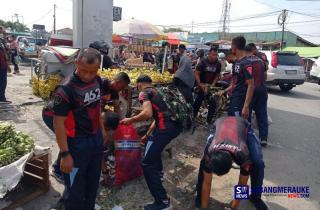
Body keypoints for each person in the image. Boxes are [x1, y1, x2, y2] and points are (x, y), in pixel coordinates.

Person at [50, 71, 130, 182]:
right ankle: (57, 169)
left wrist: (118, 122)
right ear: (118, 82)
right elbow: (97, 111)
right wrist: (102, 129)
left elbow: (116, 107)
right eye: (123, 86)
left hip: (76, 115)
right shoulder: (100, 85)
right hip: (55, 115)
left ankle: (71, 166)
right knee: (68, 140)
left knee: (74, 139)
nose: (122, 90)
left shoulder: (114, 91)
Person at [52, 48, 105, 210]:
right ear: (76, 64)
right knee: (75, 190)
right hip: (77, 144)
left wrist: (101, 129)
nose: (88, 75)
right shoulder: (65, 90)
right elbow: (58, 123)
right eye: (83, 71)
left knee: (93, 183)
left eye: (92, 71)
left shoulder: (98, 81)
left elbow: (97, 107)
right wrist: (65, 153)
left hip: (95, 139)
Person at [218, 36, 267, 210]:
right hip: (235, 113)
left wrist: (246, 106)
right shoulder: (238, 63)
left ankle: (252, 196)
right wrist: (223, 91)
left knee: (254, 161)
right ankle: (244, 197)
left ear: (233, 47)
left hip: (240, 114)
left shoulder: (243, 63)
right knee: (246, 159)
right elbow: (236, 84)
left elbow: (251, 84)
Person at [121, 75, 182, 210]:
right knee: (152, 146)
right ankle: (158, 174)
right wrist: (147, 135)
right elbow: (158, 115)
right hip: (175, 127)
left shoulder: (144, 93)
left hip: (165, 129)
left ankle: (163, 202)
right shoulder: (160, 90)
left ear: (139, 85)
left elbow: (148, 113)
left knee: (147, 164)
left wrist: (130, 120)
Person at [195, 116, 267, 210]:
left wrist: (233, 208)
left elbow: (242, 185)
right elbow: (207, 182)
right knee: (203, 163)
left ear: (233, 163)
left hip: (243, 125)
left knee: (258, 163)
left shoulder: (243, 155)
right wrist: (204, 208)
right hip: (220, 123)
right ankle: (200, 197)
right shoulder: (209, 154)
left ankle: (255, 197)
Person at [245, 46, 269, 147]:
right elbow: (265, 76)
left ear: (246, 51)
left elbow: (245, 80)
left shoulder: (246, 61)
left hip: (252, 90)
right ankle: (263, 138)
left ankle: (248, 136)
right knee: (262, 113)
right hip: (262, 90)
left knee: (248, 113)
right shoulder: (260, 61)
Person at [194, 47, 221, 125]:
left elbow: (217, 75)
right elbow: (196, 73)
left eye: (216, 55)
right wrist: (200, 84)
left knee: (212, 104)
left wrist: (213, 84)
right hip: (202, 85)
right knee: (197, 103)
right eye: (213, 55)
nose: (215, 56)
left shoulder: (218, 63)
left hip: (210, 87)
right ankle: (192, 118)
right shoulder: (203, 62)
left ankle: (208, 121)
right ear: (209, 54)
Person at [0, 26, 10, 104]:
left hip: (3, 64)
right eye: (3, 32)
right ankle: (1, 98)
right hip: (2, 64)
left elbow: (6, 52)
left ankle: (2, 97)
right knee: (2, 81)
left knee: (3, 82)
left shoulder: (3, 41)